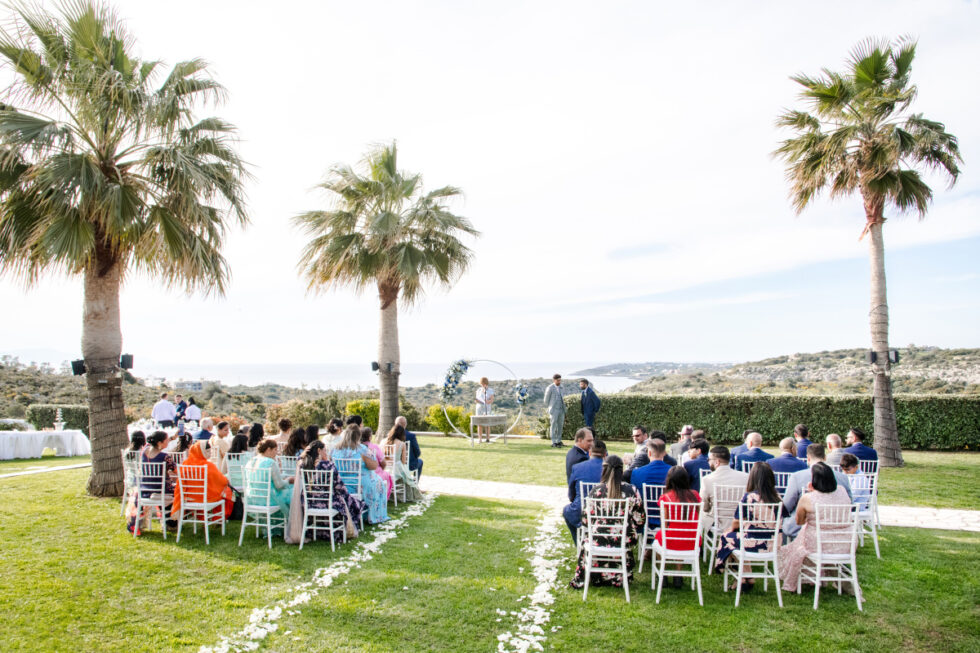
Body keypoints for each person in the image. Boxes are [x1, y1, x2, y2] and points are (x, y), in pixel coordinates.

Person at [569, 455, 645, 590]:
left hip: (598, 538)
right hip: (623, 539)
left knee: (590, 538)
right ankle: (616, 575)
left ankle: (597, 575)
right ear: (621, 471)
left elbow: (586, 521)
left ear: (604, 470)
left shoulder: (596, 491)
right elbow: (640, 519)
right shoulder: (631, 490)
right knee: (622, 537)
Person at [778, 462, 853, 593]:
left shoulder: (808, 498)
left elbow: (800, 522)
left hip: (819, 543)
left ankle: (796, 580)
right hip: (846, 542)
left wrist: (810, 492)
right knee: (802, 540)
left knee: (796, 546)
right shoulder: (842, 491)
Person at [713, 462, 782, 591]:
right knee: (733, 539)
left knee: (727, 538)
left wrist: (731, 529)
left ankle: (740, 577)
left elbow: (736, 521)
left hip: (753, 542)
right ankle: (747, 577)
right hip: (773, 543)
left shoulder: (750, 497)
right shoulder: (778, 498)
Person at [286, 440, 366, 545]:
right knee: (347, 500)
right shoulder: (328, 465)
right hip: (327, 503)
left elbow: (299, 461)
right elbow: (339, 486)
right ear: (319, 450)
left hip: (307, 502)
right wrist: (345, 494)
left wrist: (302, 455)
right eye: (325, 450)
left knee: (346, 499)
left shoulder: (303, 465)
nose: (326, 453)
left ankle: (317, 532)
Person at [781, 444, 852, 538]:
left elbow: (787, 505)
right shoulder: (843, 477)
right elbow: (850, 504)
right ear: (825, 457)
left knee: (785, 521)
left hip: (803, 527)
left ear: (808, 458)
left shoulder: (797, 477)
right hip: (835, 527)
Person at [655, 466, 702, 588]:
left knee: (659, 536)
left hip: (671, 540)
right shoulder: (695, 496)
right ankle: (678, 575)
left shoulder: (666, 498)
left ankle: (663, 572)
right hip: (692, 539)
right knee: (679, 536)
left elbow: (664, 524)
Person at [332, 424, 388, 524]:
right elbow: (374, 466)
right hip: (359, 484)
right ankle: (372, 515)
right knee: (378, 483)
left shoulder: (335, 449)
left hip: (341, 483)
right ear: (358, 436)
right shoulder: (362, 449)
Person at [126, 430, 177, 534]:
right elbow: (175, 470)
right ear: (159, 443)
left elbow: (149, 443)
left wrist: (172, 437)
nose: (168, 442)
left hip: (144, 490)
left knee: (171, 490)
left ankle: (168, 521)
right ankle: (171, 523)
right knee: (179, 492)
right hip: (161, 490)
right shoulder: (165, 457)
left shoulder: (144, 452)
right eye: (166, 440)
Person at [171, 441, 234, 524]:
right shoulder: (208, 465)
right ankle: (218, 518)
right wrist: (226, 480)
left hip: (188, 497)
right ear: (200, 452)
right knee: (227, 492)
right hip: (203, 498)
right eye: (207, 451)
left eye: (210, 451)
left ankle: (204, 517)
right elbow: (222, 481)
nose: (210, 453)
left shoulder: (185, 464)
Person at [244, 439, 293, 533]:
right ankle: (292, 527)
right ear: (268, 450)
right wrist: (288, 480)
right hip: (268, 499)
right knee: (291, 492)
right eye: (275, 450)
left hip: (252, 498)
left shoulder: (251, 461)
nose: (276, 453)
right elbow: (279, 485)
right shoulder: (270, 462)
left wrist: (283, 477)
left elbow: (265, 478)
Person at [563, 439, 607, 543]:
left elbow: (571, 494)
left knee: (567, 511)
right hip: (605, 512)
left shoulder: (577, 467)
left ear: (590, 452)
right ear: (605, 454)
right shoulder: (610, 469)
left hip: (582, 511)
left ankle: (579, 543)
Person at [700, 445, 749, 533]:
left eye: (709, 459)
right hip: (740, 522)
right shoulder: (746, 477)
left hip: (718, 523)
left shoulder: (707, 479)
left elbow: (704, 506)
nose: (708, 462)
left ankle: (702, 543)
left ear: (717, 462)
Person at [629, 438, 673, 529]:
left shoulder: (637, 473)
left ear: (648, 453)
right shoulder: (673, 472)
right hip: (667, 517)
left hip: (644, 516)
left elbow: (635, 496)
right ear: (664, 453)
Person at [385, 424, 422, 502]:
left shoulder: (385, 441)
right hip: (397, 469)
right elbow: (404, 461)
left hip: (386, 468)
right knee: (406, 475)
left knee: (405, 473)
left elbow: (384, 457)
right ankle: (408, 494)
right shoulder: (402, 444)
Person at [361, 426, 393, 499]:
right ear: (370, 437)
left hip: (361, 475)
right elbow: (383, 463)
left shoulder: (357, 447)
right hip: (375, 473)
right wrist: (382, 469)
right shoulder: (374, 447)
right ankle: (382, 498)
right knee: (387, 475)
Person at [543, 374, 566, 448]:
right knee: (553, 426)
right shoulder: (550, 388)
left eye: (560, 380)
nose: (559, 381)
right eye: (558, 380)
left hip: (561, 409)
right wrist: (550, 408)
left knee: (560, 425)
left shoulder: (562, 387)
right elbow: (546, 400)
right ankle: (553, 442)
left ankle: (559, 441)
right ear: (554, 380)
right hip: (554, 410)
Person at [475, 376, 495, 443]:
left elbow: (492, 400)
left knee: (487, 423)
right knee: (479, 424)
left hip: (487, 408)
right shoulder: (478, 390)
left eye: (483, 384)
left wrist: (487, 401)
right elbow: (477, 399)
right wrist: (477, 401)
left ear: (486, 383)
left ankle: (488, 439)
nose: (482, 385)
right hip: (479, 408)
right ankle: (480, 439)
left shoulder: (490, 390)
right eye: (481, 384)